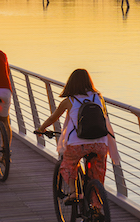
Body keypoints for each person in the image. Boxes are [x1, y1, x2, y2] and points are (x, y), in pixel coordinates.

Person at [35, 69, 120, 204]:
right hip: (100, 144)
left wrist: (41, 129)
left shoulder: (69, 101)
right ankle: (97, 215)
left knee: (68, 164)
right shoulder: (98, 97)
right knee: (97, 177)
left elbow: (53, 118)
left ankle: (74, 192)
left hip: (77, 144)